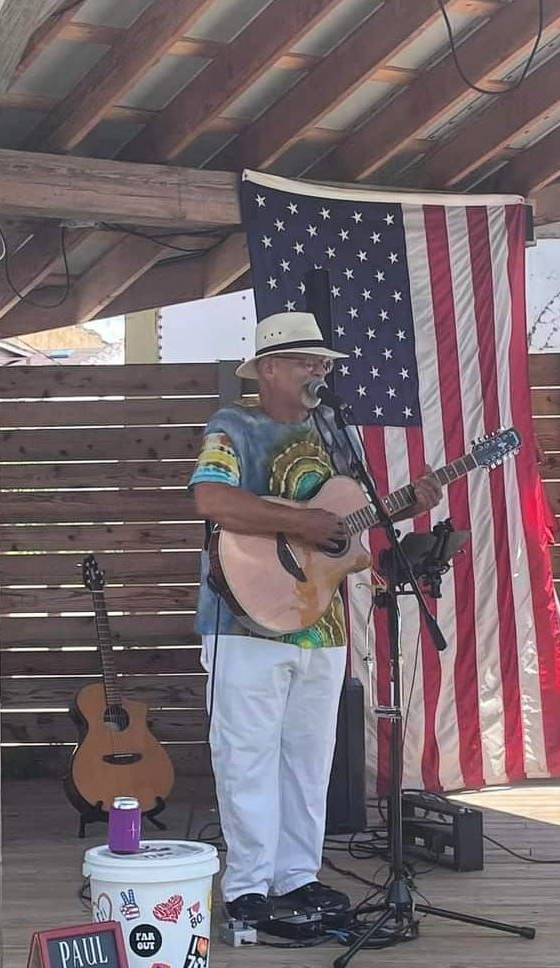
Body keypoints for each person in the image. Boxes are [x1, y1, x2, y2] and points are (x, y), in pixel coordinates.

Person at [189, 312, 442, 925]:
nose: (319, 372)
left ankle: (297, 878)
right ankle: (248, 891)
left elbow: (346, 529)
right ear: (269, 368)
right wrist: (301, 522)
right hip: (243, 621)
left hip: (321, 623)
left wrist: (407, 505)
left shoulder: (335, 435)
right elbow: (211, 499)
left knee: (309, 758)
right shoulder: (234, 427)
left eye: (324, 363)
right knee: (247, 755)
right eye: (307, 361)